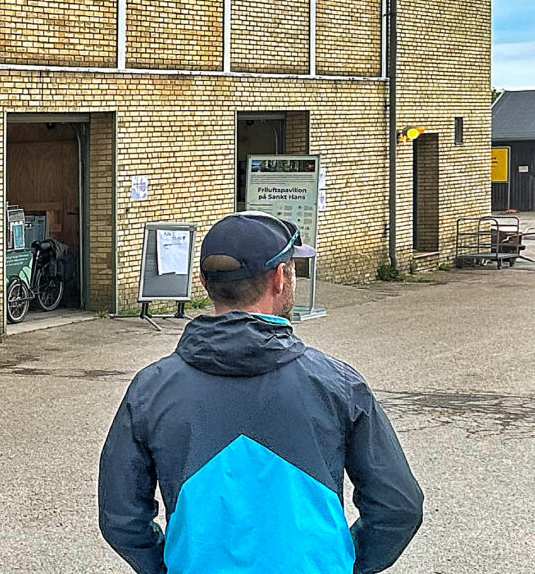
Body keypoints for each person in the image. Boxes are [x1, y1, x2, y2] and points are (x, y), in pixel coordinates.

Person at [98, 211, 421, 574]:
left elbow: (121, 517)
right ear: (280, 279)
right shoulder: (338, 385)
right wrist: (340, 563)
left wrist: (170, 565)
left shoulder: (150, 390)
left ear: (203, 281)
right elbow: (398, 507)